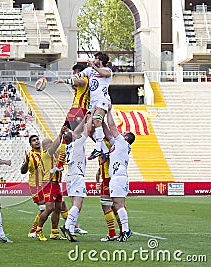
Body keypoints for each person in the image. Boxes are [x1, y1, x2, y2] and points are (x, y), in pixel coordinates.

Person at [21, 127, 67, 241]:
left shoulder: (46, 153)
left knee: (58, 207)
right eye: (33, 140)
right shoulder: (31, 155)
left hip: (51, 184)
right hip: (37, 186)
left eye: (37, 139)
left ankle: (55, 231)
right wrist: (26, 162)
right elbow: (23, 171)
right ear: (31, 144)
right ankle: (35, 230)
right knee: (45, 208)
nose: (36, 141)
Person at [65, 53, 112, 162]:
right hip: (92, 103)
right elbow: (78, 76)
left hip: (102, 100)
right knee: (89, 129)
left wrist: (94, 67)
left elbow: (105, 74)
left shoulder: (107, 70)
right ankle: (104, 150)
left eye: (96, 58)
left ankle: (98, 148)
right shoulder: (89, 71)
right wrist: (66, 80)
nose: (93, 60)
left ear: (100, 60)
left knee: (96, 121)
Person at [103, 104, 135, 242]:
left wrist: (109, 111)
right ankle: (126, 230)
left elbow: (112, 128)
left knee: (118, 204)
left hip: (119, 177)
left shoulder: (122, 142)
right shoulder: (119, 144)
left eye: (124, 133)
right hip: (117, 177)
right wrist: (100, 120)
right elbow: (108, 132)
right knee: (116, 204)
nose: (121, 133)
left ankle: (126, 230)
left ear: (126, 138)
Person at [60, 114, 92, 242]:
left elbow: (76, 132)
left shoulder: (68, 146)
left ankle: (71, 230)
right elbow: (86, 131)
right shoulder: (77, 144)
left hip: (70, 176)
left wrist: (84, 119)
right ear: (73, 138)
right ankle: (67, 226)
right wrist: (89, 119)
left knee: (75, 203)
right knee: (77, 204)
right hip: (77, 176)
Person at [95, 139, 123, 242]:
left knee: (106, 207)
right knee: (115, 207)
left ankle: (112, 234)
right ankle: (122, 231)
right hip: (111, 179)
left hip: (108, 179)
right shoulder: (112, 146)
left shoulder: (106, 145)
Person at [55, 63, 90, 130]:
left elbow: (80, 82)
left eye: (75, 73)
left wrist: (65, 81)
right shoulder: (88, 80)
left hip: (79, 108)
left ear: (79, 71)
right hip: (78, 108)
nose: (74, 75)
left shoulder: (84, 79)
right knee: (70, 130)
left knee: (68, 130)